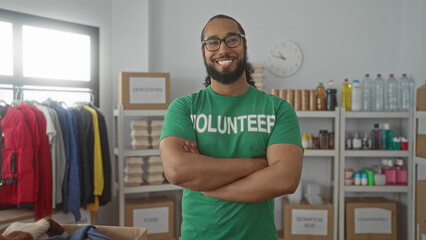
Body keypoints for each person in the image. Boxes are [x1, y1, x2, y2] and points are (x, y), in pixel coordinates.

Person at [159, 14, 303, 240]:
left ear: (244, 45)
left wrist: (210, 187)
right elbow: (177, 170)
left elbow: (286, 179)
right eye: (213, 42)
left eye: (231, 39)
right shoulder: (184, 108)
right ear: (204, 51)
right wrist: (255, 165)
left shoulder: (278, 109)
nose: (223, 49)